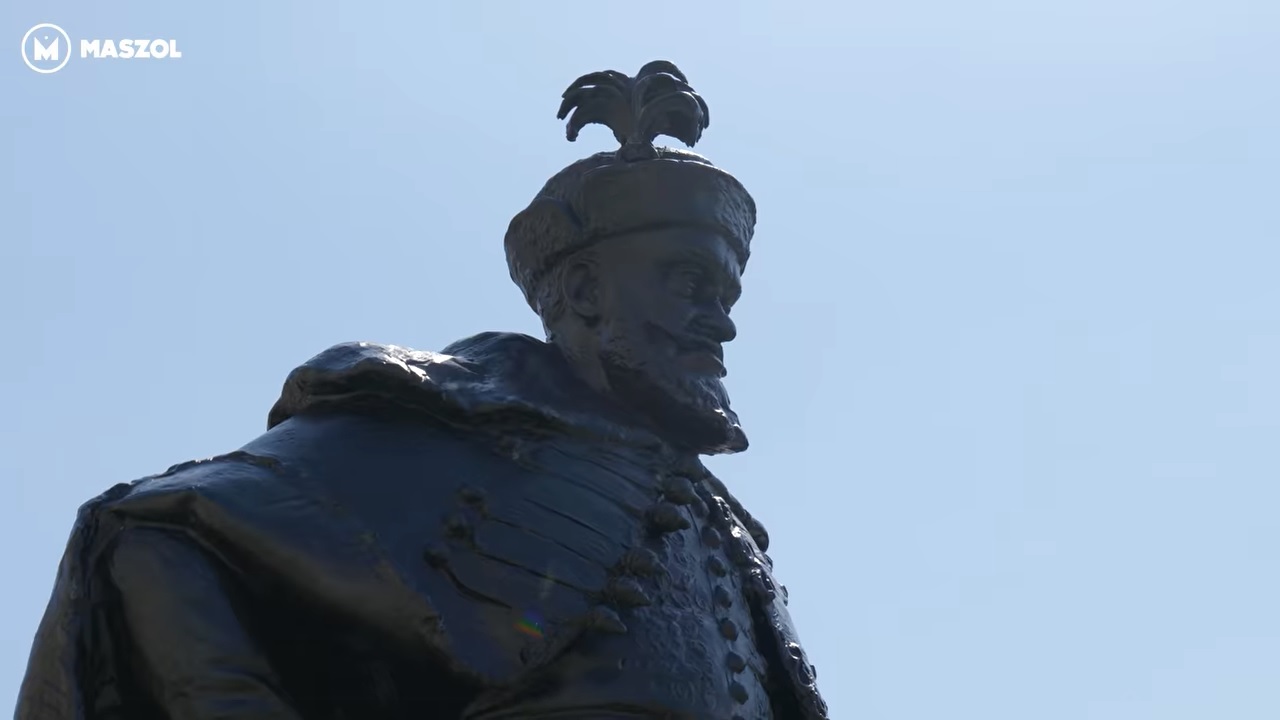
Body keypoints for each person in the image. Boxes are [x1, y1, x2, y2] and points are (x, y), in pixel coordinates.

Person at [17, 61, 828, 720]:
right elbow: (155, 531)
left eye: (726, 296)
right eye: (689, 283)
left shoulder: (725, 527)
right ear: (583, 292)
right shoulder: (452, 423)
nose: (719, 323)